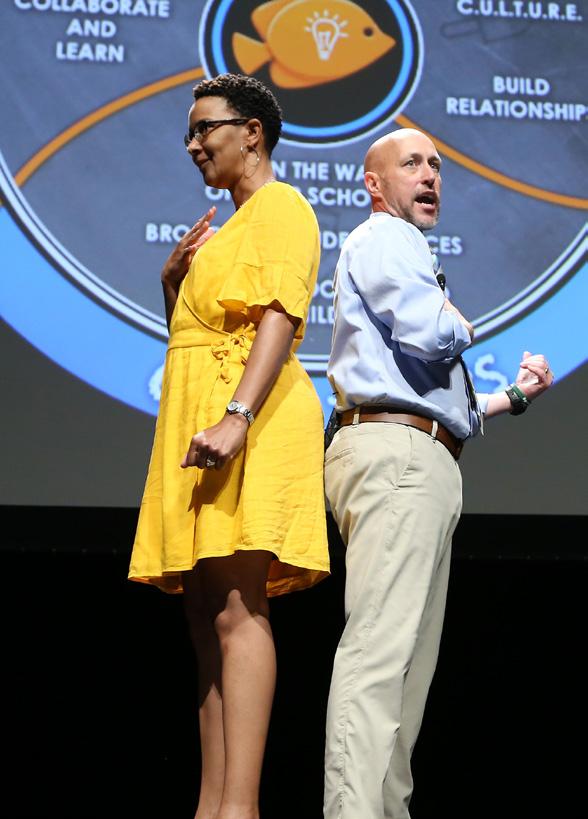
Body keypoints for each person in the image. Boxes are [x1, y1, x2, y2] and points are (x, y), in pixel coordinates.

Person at [323, 127, 553, 819]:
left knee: (407, 677)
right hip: (397, 454)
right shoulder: (389, 238)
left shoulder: (402, 247)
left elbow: (439, 399)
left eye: (437, 165)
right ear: (374, 184)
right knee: (379, 656)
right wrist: (460, 317)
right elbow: (432, 332)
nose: (430, 176)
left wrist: (513, 397)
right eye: (412, 164)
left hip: (418, 451)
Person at [128, 73, 329, 819]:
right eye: (187, 132)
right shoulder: (228, 229)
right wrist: (171, 283)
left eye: (203, 128)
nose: (192, 144)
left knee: (239, 606)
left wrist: (238, 417)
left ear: (252, 132)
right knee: (205, 612)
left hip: (252, 422)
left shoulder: (282, 206)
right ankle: (211, 805)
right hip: (204, 419)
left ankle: (239, 807)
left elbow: (280, 314)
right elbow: (196, 333)